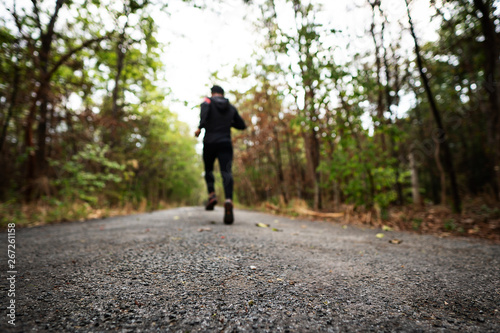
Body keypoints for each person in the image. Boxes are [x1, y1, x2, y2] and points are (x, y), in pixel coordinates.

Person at [195, 85, 247, 224]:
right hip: (225, 142)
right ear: (222, 94)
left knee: (208, 170)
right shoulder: (230, 107)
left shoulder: (208, 103)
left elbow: (204, 117)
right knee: (226, 171)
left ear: (212, 93)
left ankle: (212, 195)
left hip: (210, 141)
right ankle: (228, 200)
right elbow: (242, 125)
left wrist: (200, 127)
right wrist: (229, 123)